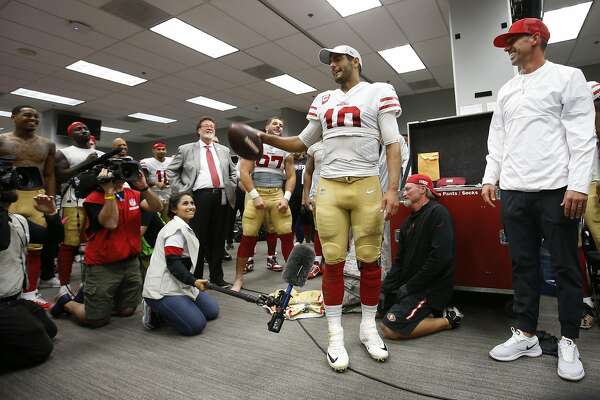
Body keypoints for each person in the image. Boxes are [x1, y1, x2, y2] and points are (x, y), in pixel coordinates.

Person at [256, 45, 402, 371]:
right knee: (333, 261)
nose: (333, 64)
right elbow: (301, 143)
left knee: (369, 260)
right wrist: (264, 138)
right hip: (330, 187)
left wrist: (392, 188)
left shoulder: (379, 91)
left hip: (366, 184)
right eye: (330, 61)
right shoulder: (323, 100)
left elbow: (393, 143)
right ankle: (335, 333)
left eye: (338, 58)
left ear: (356, 61)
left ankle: (367, 327)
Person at [482, 18, 595, 381]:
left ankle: (569, 339)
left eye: (513, 40)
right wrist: (490, 177)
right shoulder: (507, 90)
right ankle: (526, 334)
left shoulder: (568, 77)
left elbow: (582, 136)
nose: (507, 47)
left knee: (565, 267)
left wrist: (578, 185)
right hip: (515, 191)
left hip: (557, 190)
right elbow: (497, 138)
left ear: (536, 38)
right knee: (523, 265)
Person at [50, 164, 162, 327]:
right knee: (95, 319)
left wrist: (144, 187)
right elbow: (110, 223)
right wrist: (109, 192)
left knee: (127, 310)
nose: (119, 180)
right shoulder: (93, 199)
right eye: (115, 177)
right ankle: (66, 301)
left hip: (130, 262)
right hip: (103, 265)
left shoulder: (133, 194)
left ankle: (100, 301)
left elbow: (156, 207)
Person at [379, 174, 461, 340]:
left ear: (423, 189)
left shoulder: (437, 213)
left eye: (408, 189)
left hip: (431, 289)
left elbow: (440, 258)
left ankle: (449, 320)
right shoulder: (407, 223)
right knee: (379, 311)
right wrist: (385, 288)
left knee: (390, 328)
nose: (404, 193)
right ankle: (424, 315)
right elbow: (400, 261)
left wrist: (409, 287)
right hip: (412, 287)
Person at [0, 157, 58, 370]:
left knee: (49, 330)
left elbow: (53, 240)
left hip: (14, 299)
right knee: (40, 348)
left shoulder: (17, 220)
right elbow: (1, 241)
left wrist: (51, 215)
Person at [167, 116, 236, 288]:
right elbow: (171, 171)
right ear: (198, 130)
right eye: (205, 126)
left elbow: (233, 172)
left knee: (218, 238)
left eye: (212, 126)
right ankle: (196, 277)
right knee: (197, 238)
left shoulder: (223, 150)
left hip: (221, 196)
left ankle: (217, 277)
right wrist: (182, 191)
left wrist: (231, 186)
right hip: (199, 196)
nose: (209, 128)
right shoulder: (186, 149)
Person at [0, 105, 56, 308]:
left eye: (36, 115)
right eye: (27, 114)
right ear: (13, 116)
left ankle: (30, 292)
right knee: (7, 246)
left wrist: (50, 199)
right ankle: (8, 291)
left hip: (36, 197)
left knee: (35, 248)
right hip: (9, 196)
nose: (33, 118)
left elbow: (50, 175)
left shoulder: (48, 144)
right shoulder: (2, 140)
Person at [231, 117, 296, 291]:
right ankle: (238, 279)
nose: (278, 126)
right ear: (266, 127)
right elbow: (244, 172)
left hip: (276, 193)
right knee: (248, 236)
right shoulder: (254, 144)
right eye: (275, 123)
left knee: (286, 234)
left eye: (281, 124)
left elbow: (291, 176)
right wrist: (254, 195)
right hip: (256, 192)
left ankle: (291, 281)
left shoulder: (285, 148)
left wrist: (286, 198)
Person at [142, 192, 219, 335]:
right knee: (196, 325)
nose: (191, 207)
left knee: (212, 311)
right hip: (162, 289)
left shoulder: (183, 225)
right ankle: (153, 308)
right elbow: (173, 264)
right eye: (185, 204)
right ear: (174, 209)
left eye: (192, 203)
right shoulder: (175, 230)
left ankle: (178, 306)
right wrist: (193, 281)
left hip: (178, 281)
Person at [55, 121, 104, 297]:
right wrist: (86, 163)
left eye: (85, 128)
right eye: (78, 129)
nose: (83, 130)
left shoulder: (101, 154)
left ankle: (88, 281)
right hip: (73, 202)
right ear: (70, 134)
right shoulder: (64, 152)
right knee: (69, 244)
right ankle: (64, 285)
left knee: (93, 242)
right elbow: (60, 175)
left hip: (98, 202)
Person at [303, 141, 324, 279]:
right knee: (319, 229)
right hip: (319, 193)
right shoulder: (315, 147)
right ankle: (317, 263)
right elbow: (308, 172)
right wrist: (306, 195)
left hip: (341, 192)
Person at [141, 141, 173, 221]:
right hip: (154, 195)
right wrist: (155, 183)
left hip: (168, 194)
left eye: (163, 149)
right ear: (153, 150)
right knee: (155, 219)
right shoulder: (147, 162)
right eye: (158, 149)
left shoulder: (171, 160)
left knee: (167, 219)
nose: (161, 151)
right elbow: (144, 181)